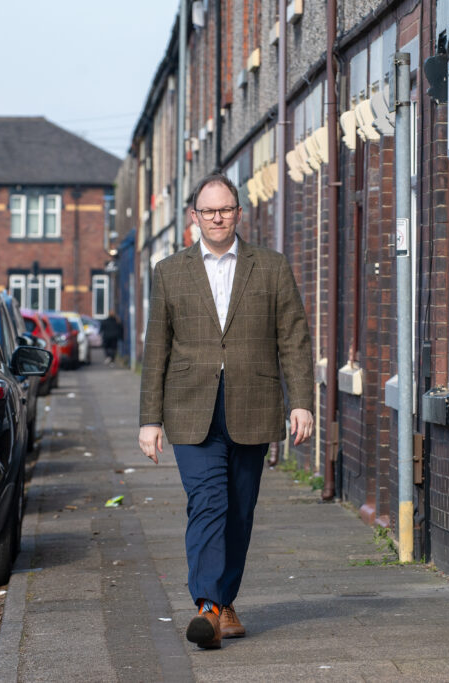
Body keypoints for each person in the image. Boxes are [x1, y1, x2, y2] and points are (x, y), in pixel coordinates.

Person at [138, 173, 314, 650]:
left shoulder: (271, 267)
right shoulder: (170, 271)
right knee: (208, 503)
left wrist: (300, 401)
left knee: (239, 511)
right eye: (208, 210)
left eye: (225, 209)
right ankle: (208, 607)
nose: (217, 218)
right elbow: (157, 347)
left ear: (239, 213)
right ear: (193, 216)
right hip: (189, 409)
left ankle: (224, 602)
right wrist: (149, 419)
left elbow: (293, 338)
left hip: (252, 404)